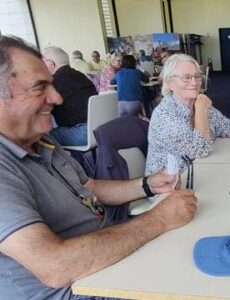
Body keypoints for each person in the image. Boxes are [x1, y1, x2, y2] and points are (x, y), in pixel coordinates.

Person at [0, 35, 197, 300]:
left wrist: (146, 185)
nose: (57, 97)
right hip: (81, 288)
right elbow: (55, 267)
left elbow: (88, 187)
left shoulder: (40, 139)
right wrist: (160, 218)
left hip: (104, 256)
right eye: (39, 88)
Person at [146, 54, 230, 175]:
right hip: (171, 185)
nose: (194, 82)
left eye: (197, 76)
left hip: (200, 172)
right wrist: (201, 109)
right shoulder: (166, 115)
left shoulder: (197, 101)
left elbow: (226, 126)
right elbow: (201, 150)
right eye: (186, 77)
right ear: (170, 83)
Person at [42, 46, 97, 146]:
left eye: (43, 61)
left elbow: (43, 108)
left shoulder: (54, 82)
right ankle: (76, 161)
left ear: (51, 63)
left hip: (82, 134)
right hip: (99, 128)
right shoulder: (81, 76)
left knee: (43, 137)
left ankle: (70, 162)